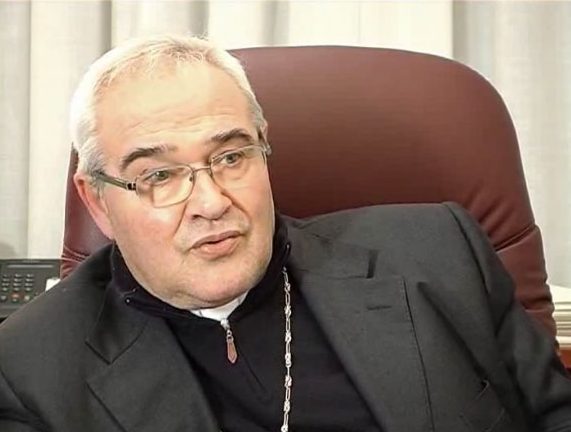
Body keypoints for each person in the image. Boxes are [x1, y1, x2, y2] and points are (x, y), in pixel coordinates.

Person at [1, 35, 570, 432]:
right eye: (159, 176)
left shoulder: (439, 254)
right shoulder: (30, 370)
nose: (210, 203)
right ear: (97, 200)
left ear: (264, 147)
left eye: (231, 157)